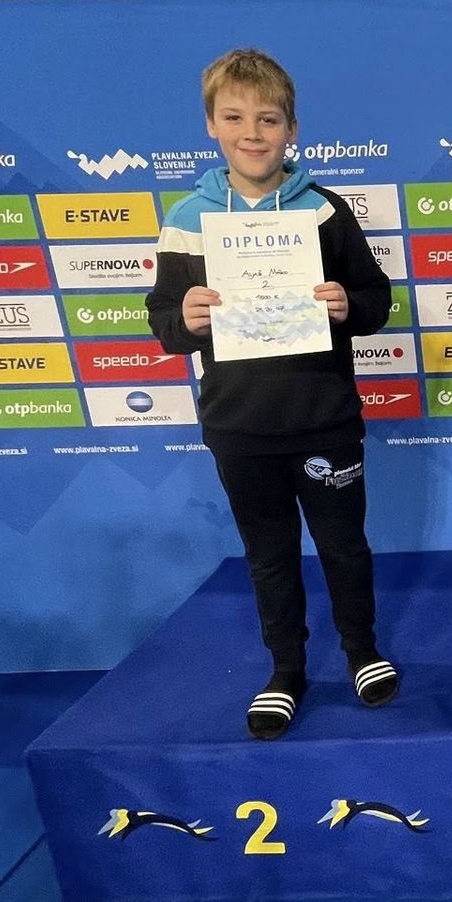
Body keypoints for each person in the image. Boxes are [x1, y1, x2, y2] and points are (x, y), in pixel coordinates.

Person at [147, 48, 398, 739]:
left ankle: (361, 651)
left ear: (292, 128)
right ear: (211, 125)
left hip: (324, 419)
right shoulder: (187, 219)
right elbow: (164, 322)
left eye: (268, 119)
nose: (252, 133)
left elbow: (376, 299)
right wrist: (185, 319)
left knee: (344, 547)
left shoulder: (324, 211)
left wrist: (348, 304)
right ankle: (286, 670)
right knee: (269, 555)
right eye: (234, 118)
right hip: (239, 426)